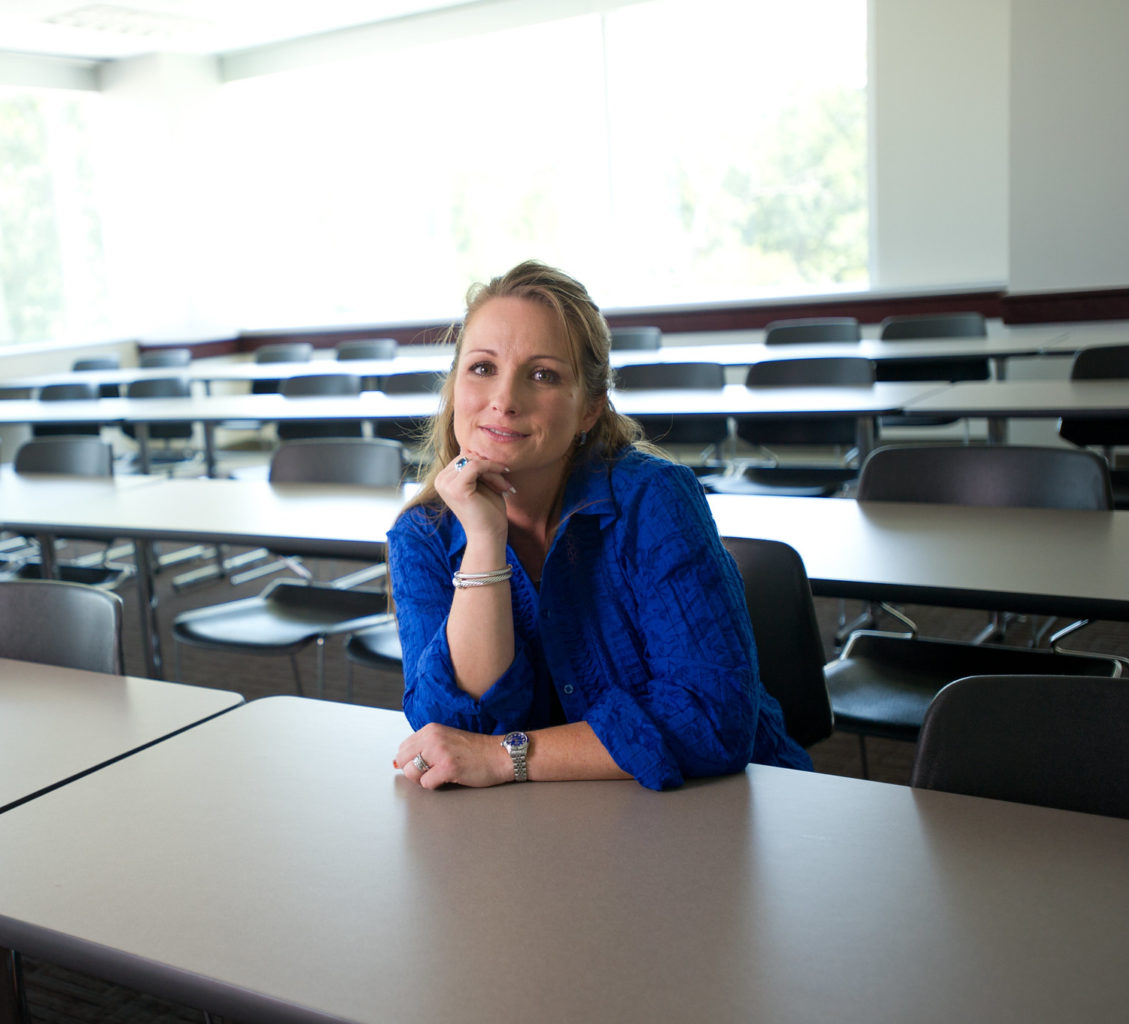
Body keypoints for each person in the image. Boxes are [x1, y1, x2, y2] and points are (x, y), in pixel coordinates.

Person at [390, 260, 811, 790]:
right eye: (481, 367)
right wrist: (484, 541)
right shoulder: (422, 535)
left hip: (712, 811)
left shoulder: (654, 498)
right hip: (535, 832)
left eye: (542, 375)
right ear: (455, 386)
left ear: (590, 409)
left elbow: (711, 718)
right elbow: (455, 731)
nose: (504, 400)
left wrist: (506, 757)